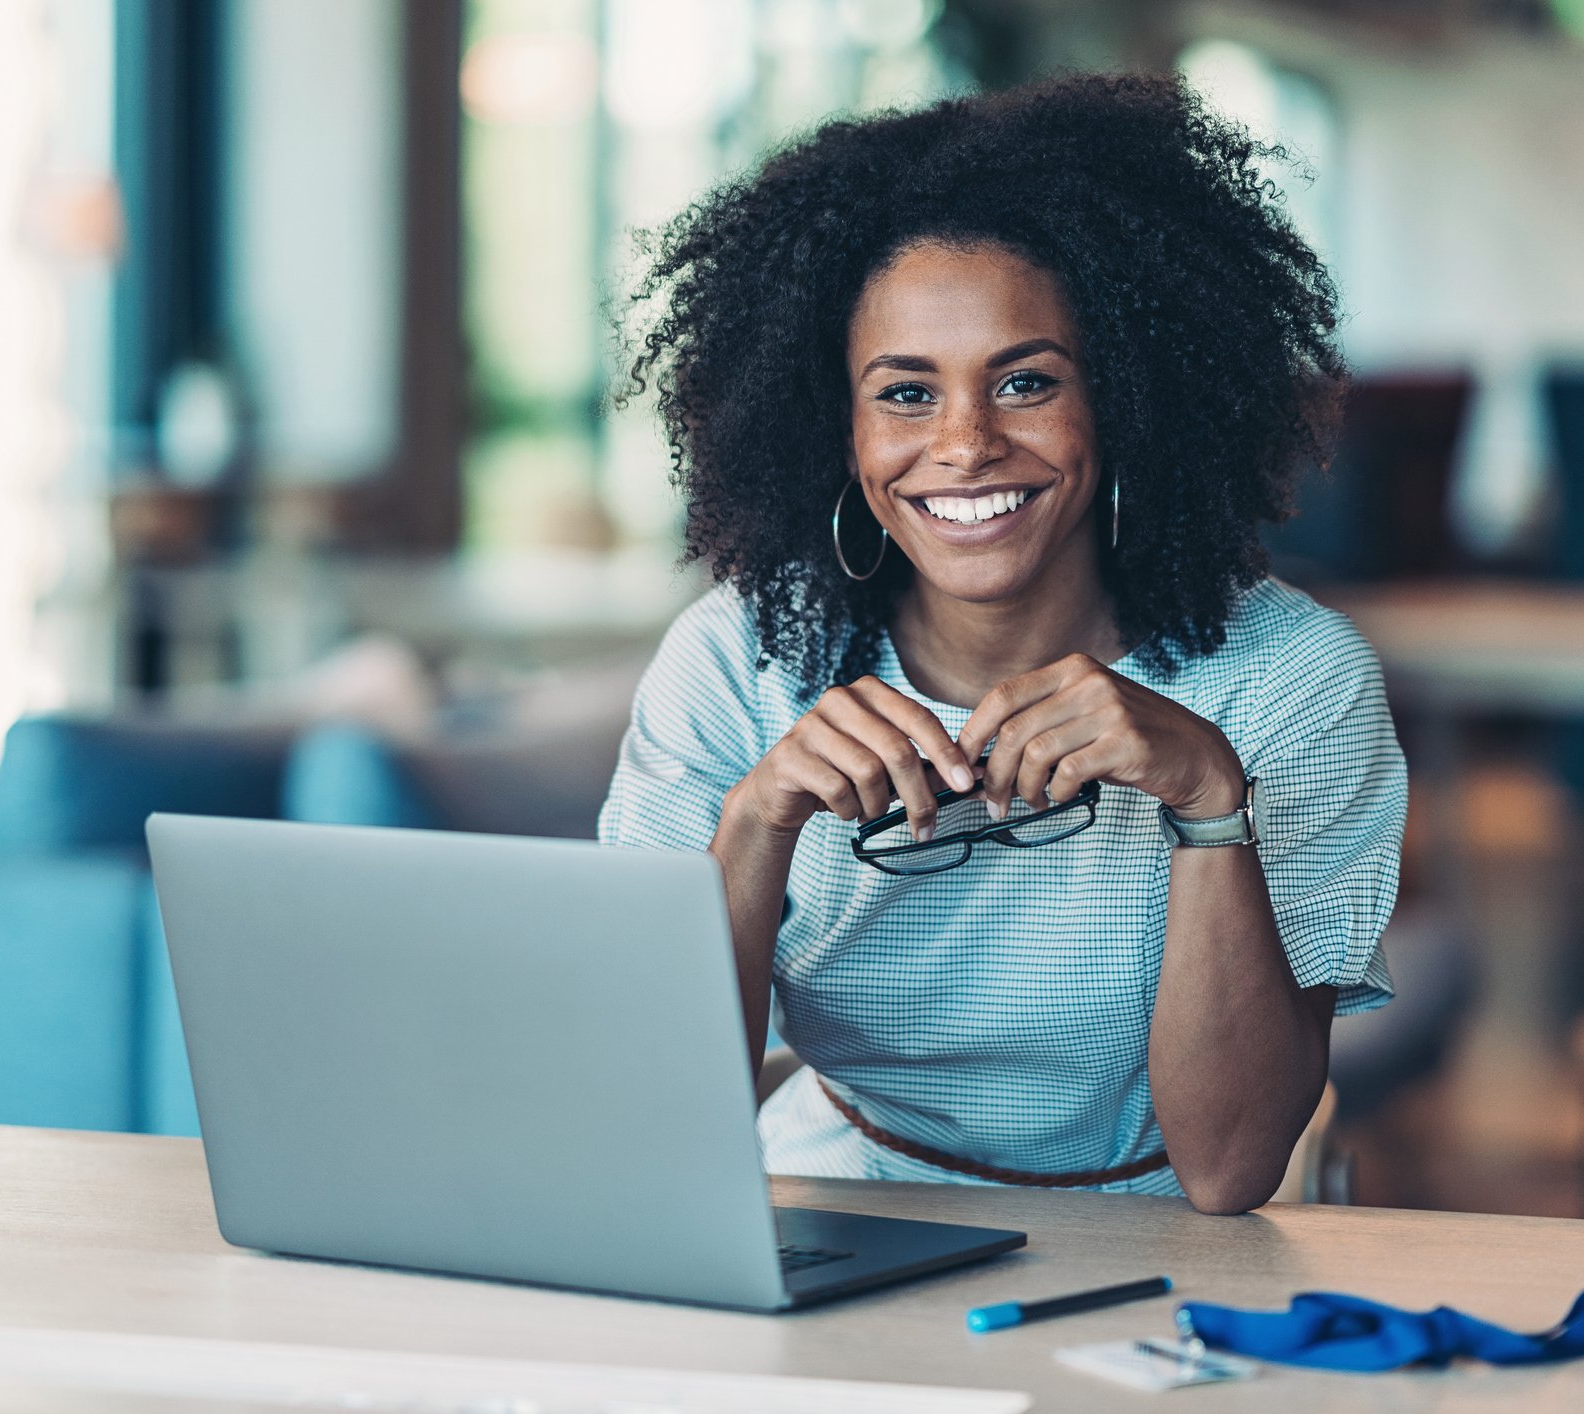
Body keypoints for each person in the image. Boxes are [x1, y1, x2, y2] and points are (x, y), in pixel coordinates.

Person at [599, 73, 1404, 1214]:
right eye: (906, 394)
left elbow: (1230, 1168)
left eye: (1026, 382)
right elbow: (646, 1115)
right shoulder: (737, 663)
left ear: (1125, 399)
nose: (967, 445)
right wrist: (758, 817)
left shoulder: (1292, 680)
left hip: (1158, 1232)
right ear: (839, 426)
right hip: (837, 1200)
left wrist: (1210, 797)